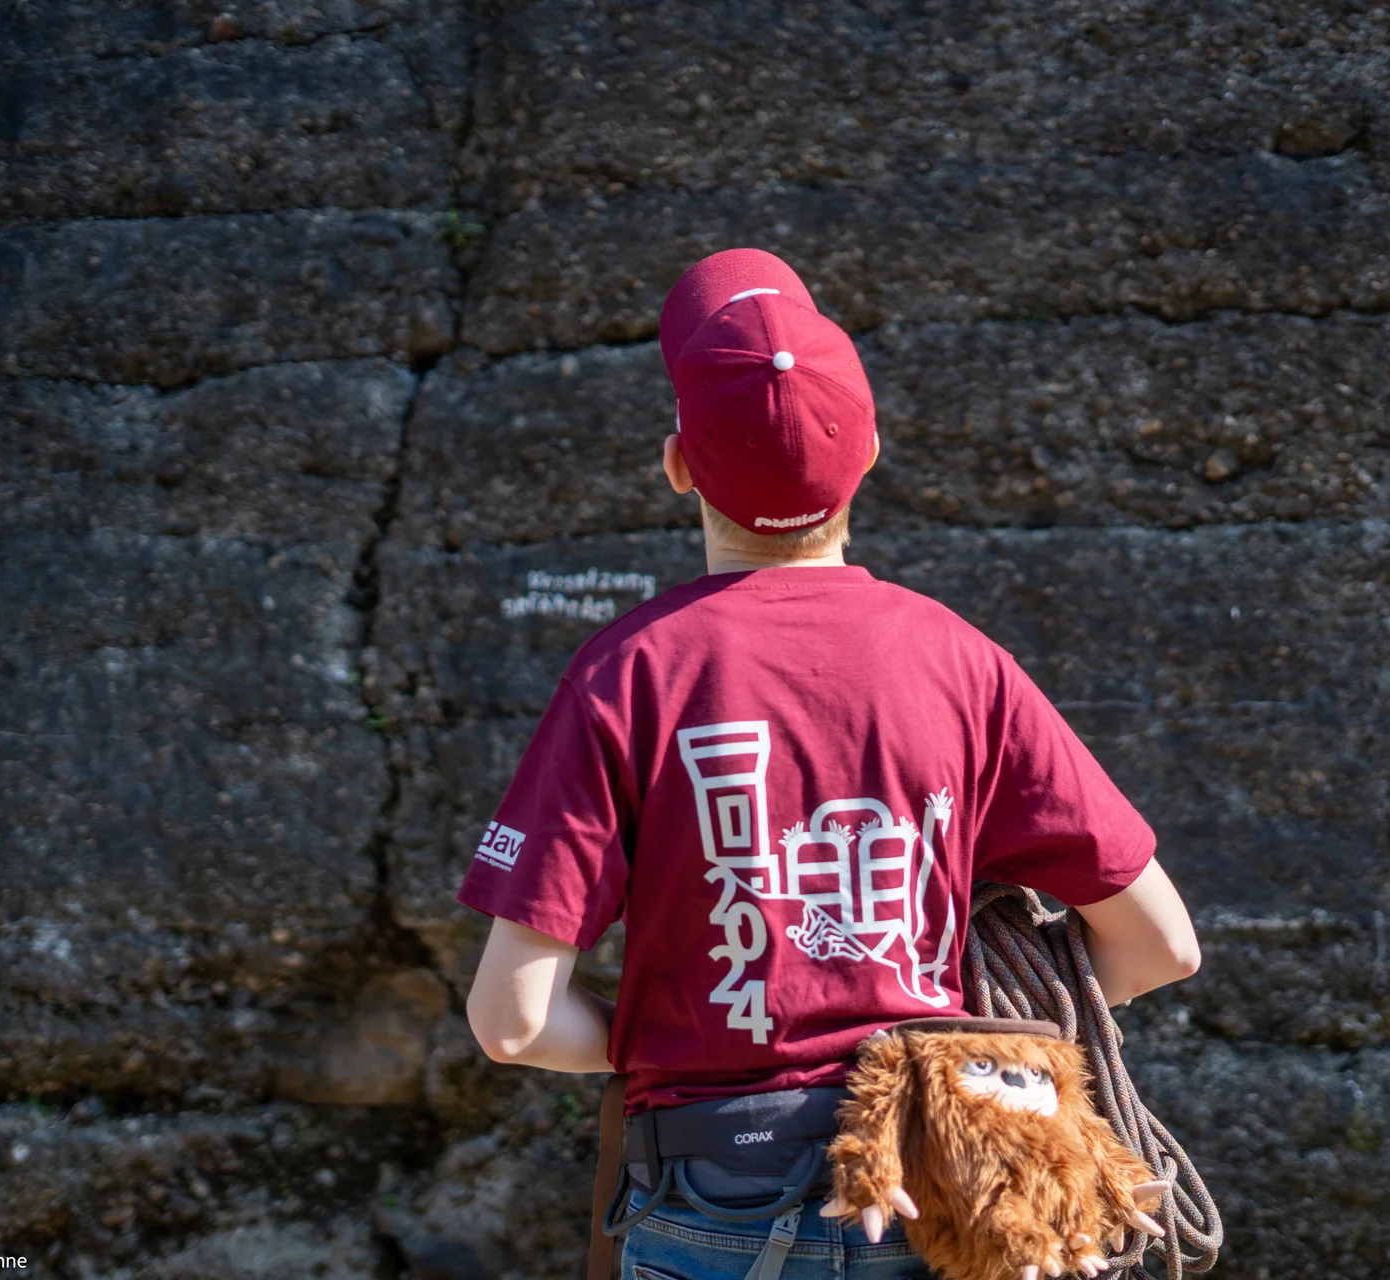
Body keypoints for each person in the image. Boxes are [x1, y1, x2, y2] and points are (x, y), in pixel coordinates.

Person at [457, 248, 1202, 1280]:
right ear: (872, 451)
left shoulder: (627, 674)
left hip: (708, 1195)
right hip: (942, 1199)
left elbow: (513, 1017)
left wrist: (691, 1043)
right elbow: (1161, 945)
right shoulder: (959, 660)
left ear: (679, 463)